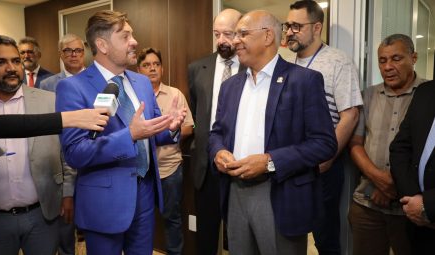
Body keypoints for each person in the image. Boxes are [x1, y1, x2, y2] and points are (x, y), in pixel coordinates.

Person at [55, 10, 186, 255]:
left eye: (132, 35)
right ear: (102, 45)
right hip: (104, 202)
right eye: (125, 36)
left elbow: (152, 133)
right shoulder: (72, 88)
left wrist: (170, 127)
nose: (134, 41)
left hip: (145, 194)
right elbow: (75, 153)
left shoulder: (142, 82)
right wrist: (130, 135)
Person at [208, 10, 337, 255]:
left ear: (267, 36)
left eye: (242, 34)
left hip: (280, 194)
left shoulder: (304, 81)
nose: (235, 41)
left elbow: (324, 143)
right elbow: (216, 133)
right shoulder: (229, 87)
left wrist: (270, 162)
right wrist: (219, 152)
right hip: (235, 192)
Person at [284, 1, 363, 254]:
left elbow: (350, 114)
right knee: (290, 231)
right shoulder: (287, 66)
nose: (288, 32)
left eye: (296, 26)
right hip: (291, 163)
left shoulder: (338, 61)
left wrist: (327, 158)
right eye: (288, 26)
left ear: (317, 27)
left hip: (322, 166)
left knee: (324, 236)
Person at [0, 34, 70, 255]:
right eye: (0, 62)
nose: (12, 68)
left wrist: (68, 193)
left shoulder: (48, 100)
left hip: (42, 215)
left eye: (15, 60)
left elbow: (66, 152)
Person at [348, 34, 423, 255]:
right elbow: (355, 143)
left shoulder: (429, 94)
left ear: (414, 58)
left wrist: (394, 186)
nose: (388, 67)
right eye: (382, 60)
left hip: (413, 208)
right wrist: (379, 180)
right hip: (367, 204)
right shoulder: (367, 96)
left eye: (396, 59)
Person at [187, 8, 245, 254]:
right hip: (207, 165)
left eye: (228, 34)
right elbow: (196, 109)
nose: (221, 40)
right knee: (206, 235)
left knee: (240, 235)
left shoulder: (252, 66)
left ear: (241, 33)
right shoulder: (197, 68)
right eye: (217, 34)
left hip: (242, 163)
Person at [137, 47, 194, 255]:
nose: (152, 69)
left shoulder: (174, 94)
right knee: (142, 219)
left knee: (172, 217)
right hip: (142, 172)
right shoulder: (134, 97)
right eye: (146, 65)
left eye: (156, 64)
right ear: (139, 69)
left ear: (161, 68)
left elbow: (189, 126)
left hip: (170, 168)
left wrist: (171, 131)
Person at [40, 33, 87, 255]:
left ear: (84, 52)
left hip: (92, 161)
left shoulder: (98, 80)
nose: (73, 54)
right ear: (60, 54)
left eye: (77, 50)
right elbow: (47, 129)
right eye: (68, 50)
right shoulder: (47, 84)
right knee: (64, 230)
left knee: (93, 228)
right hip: (60, 163)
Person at [390, 79, 435, 255]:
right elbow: (400, 148)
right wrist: (412, 198)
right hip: (417, 223)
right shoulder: (426, 91)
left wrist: (428, 205)